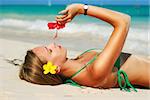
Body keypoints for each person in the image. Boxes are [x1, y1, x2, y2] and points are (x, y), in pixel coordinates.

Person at [19, 4, 150, 91]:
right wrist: (82, 9)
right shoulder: (95, 72)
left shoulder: (79, 60)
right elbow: (123, 21)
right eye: (50, 50)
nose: (52, 44)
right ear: (55, 68)